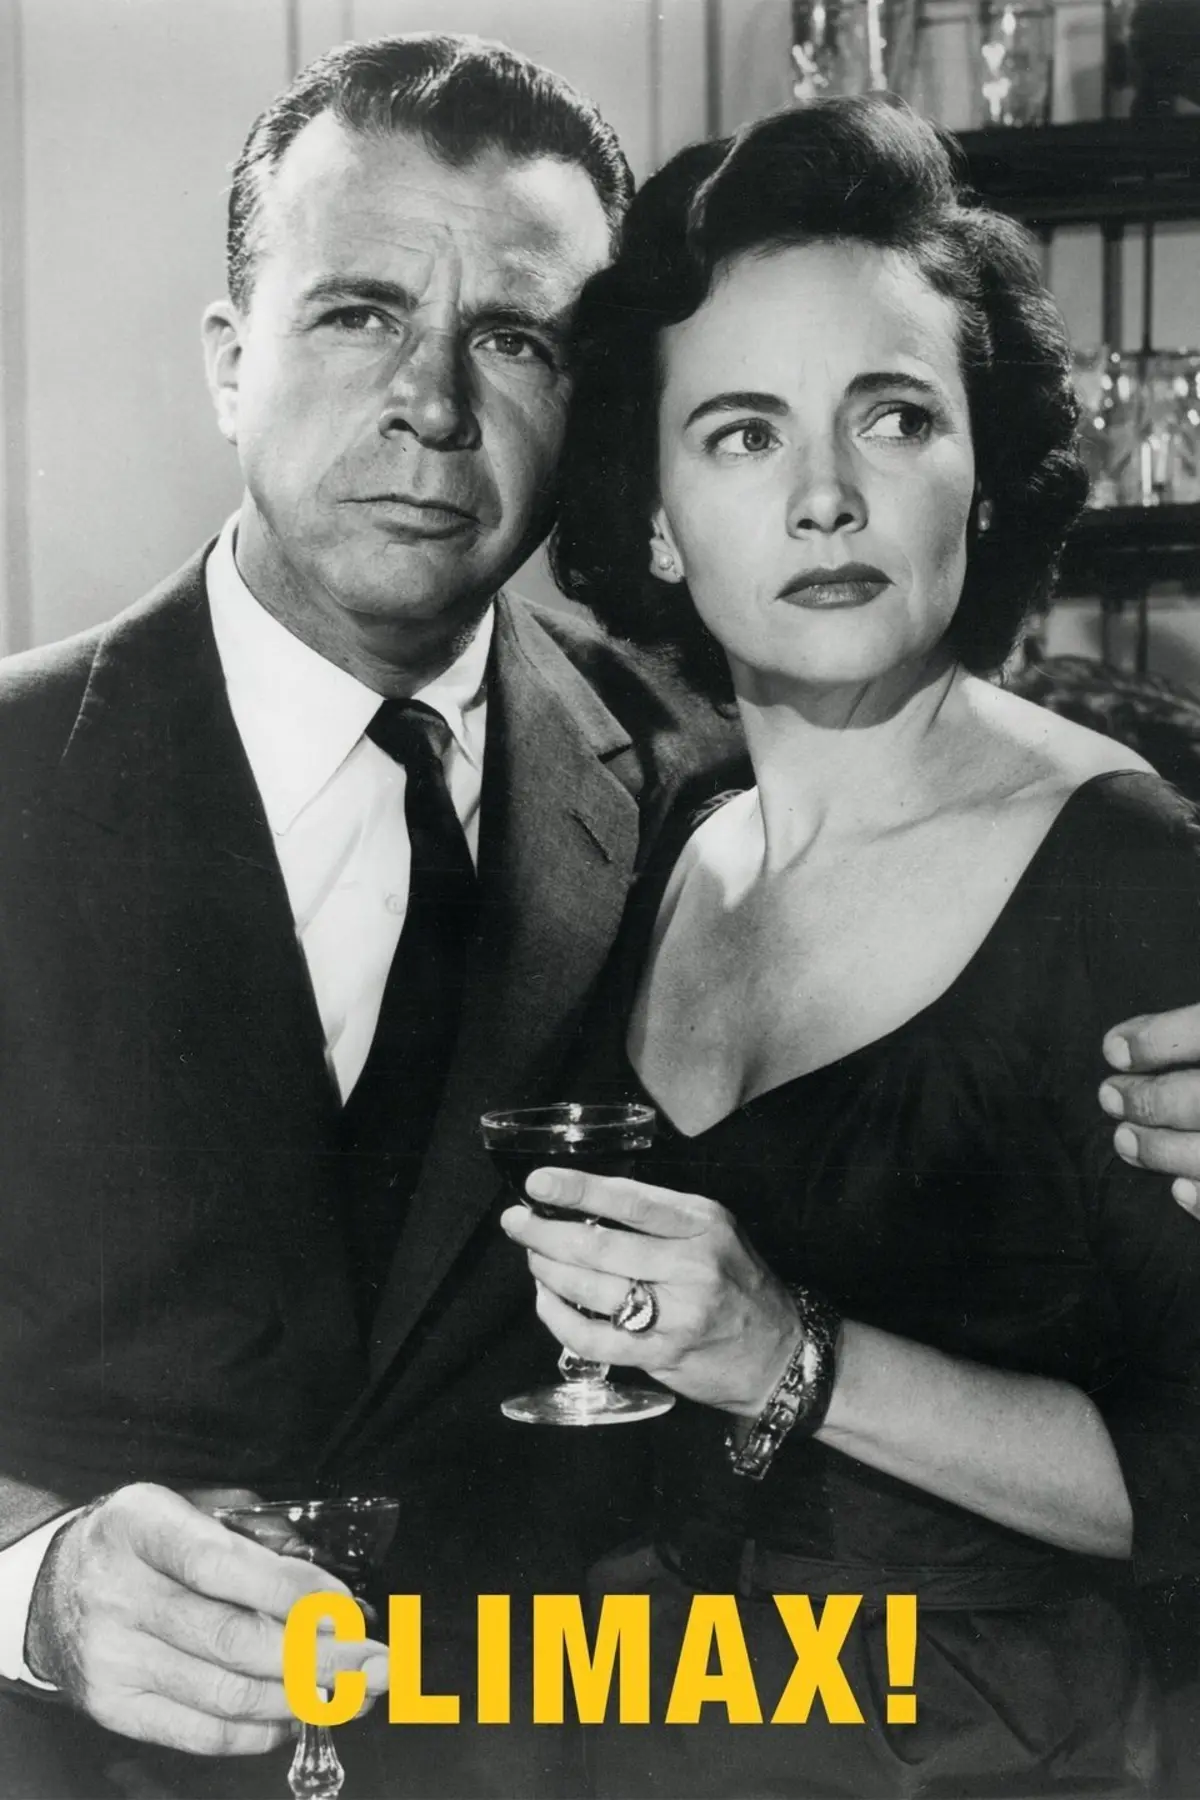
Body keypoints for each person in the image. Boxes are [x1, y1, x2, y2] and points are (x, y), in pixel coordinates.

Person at [0, 34, 745, 1800]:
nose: (435, 405)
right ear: (227, 361)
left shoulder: (707, 795)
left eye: (517, 340)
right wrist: (31, 1586)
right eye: (357, 314)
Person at [501, 99, 1200, 1796]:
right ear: (655, 516)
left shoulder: (1125, 871)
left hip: (987, 1754)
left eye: (893, 417)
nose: (826, 498)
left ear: (984, 475)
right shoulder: (664, 841)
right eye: (742, 433)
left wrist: (788, 1358)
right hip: (646, 1727)